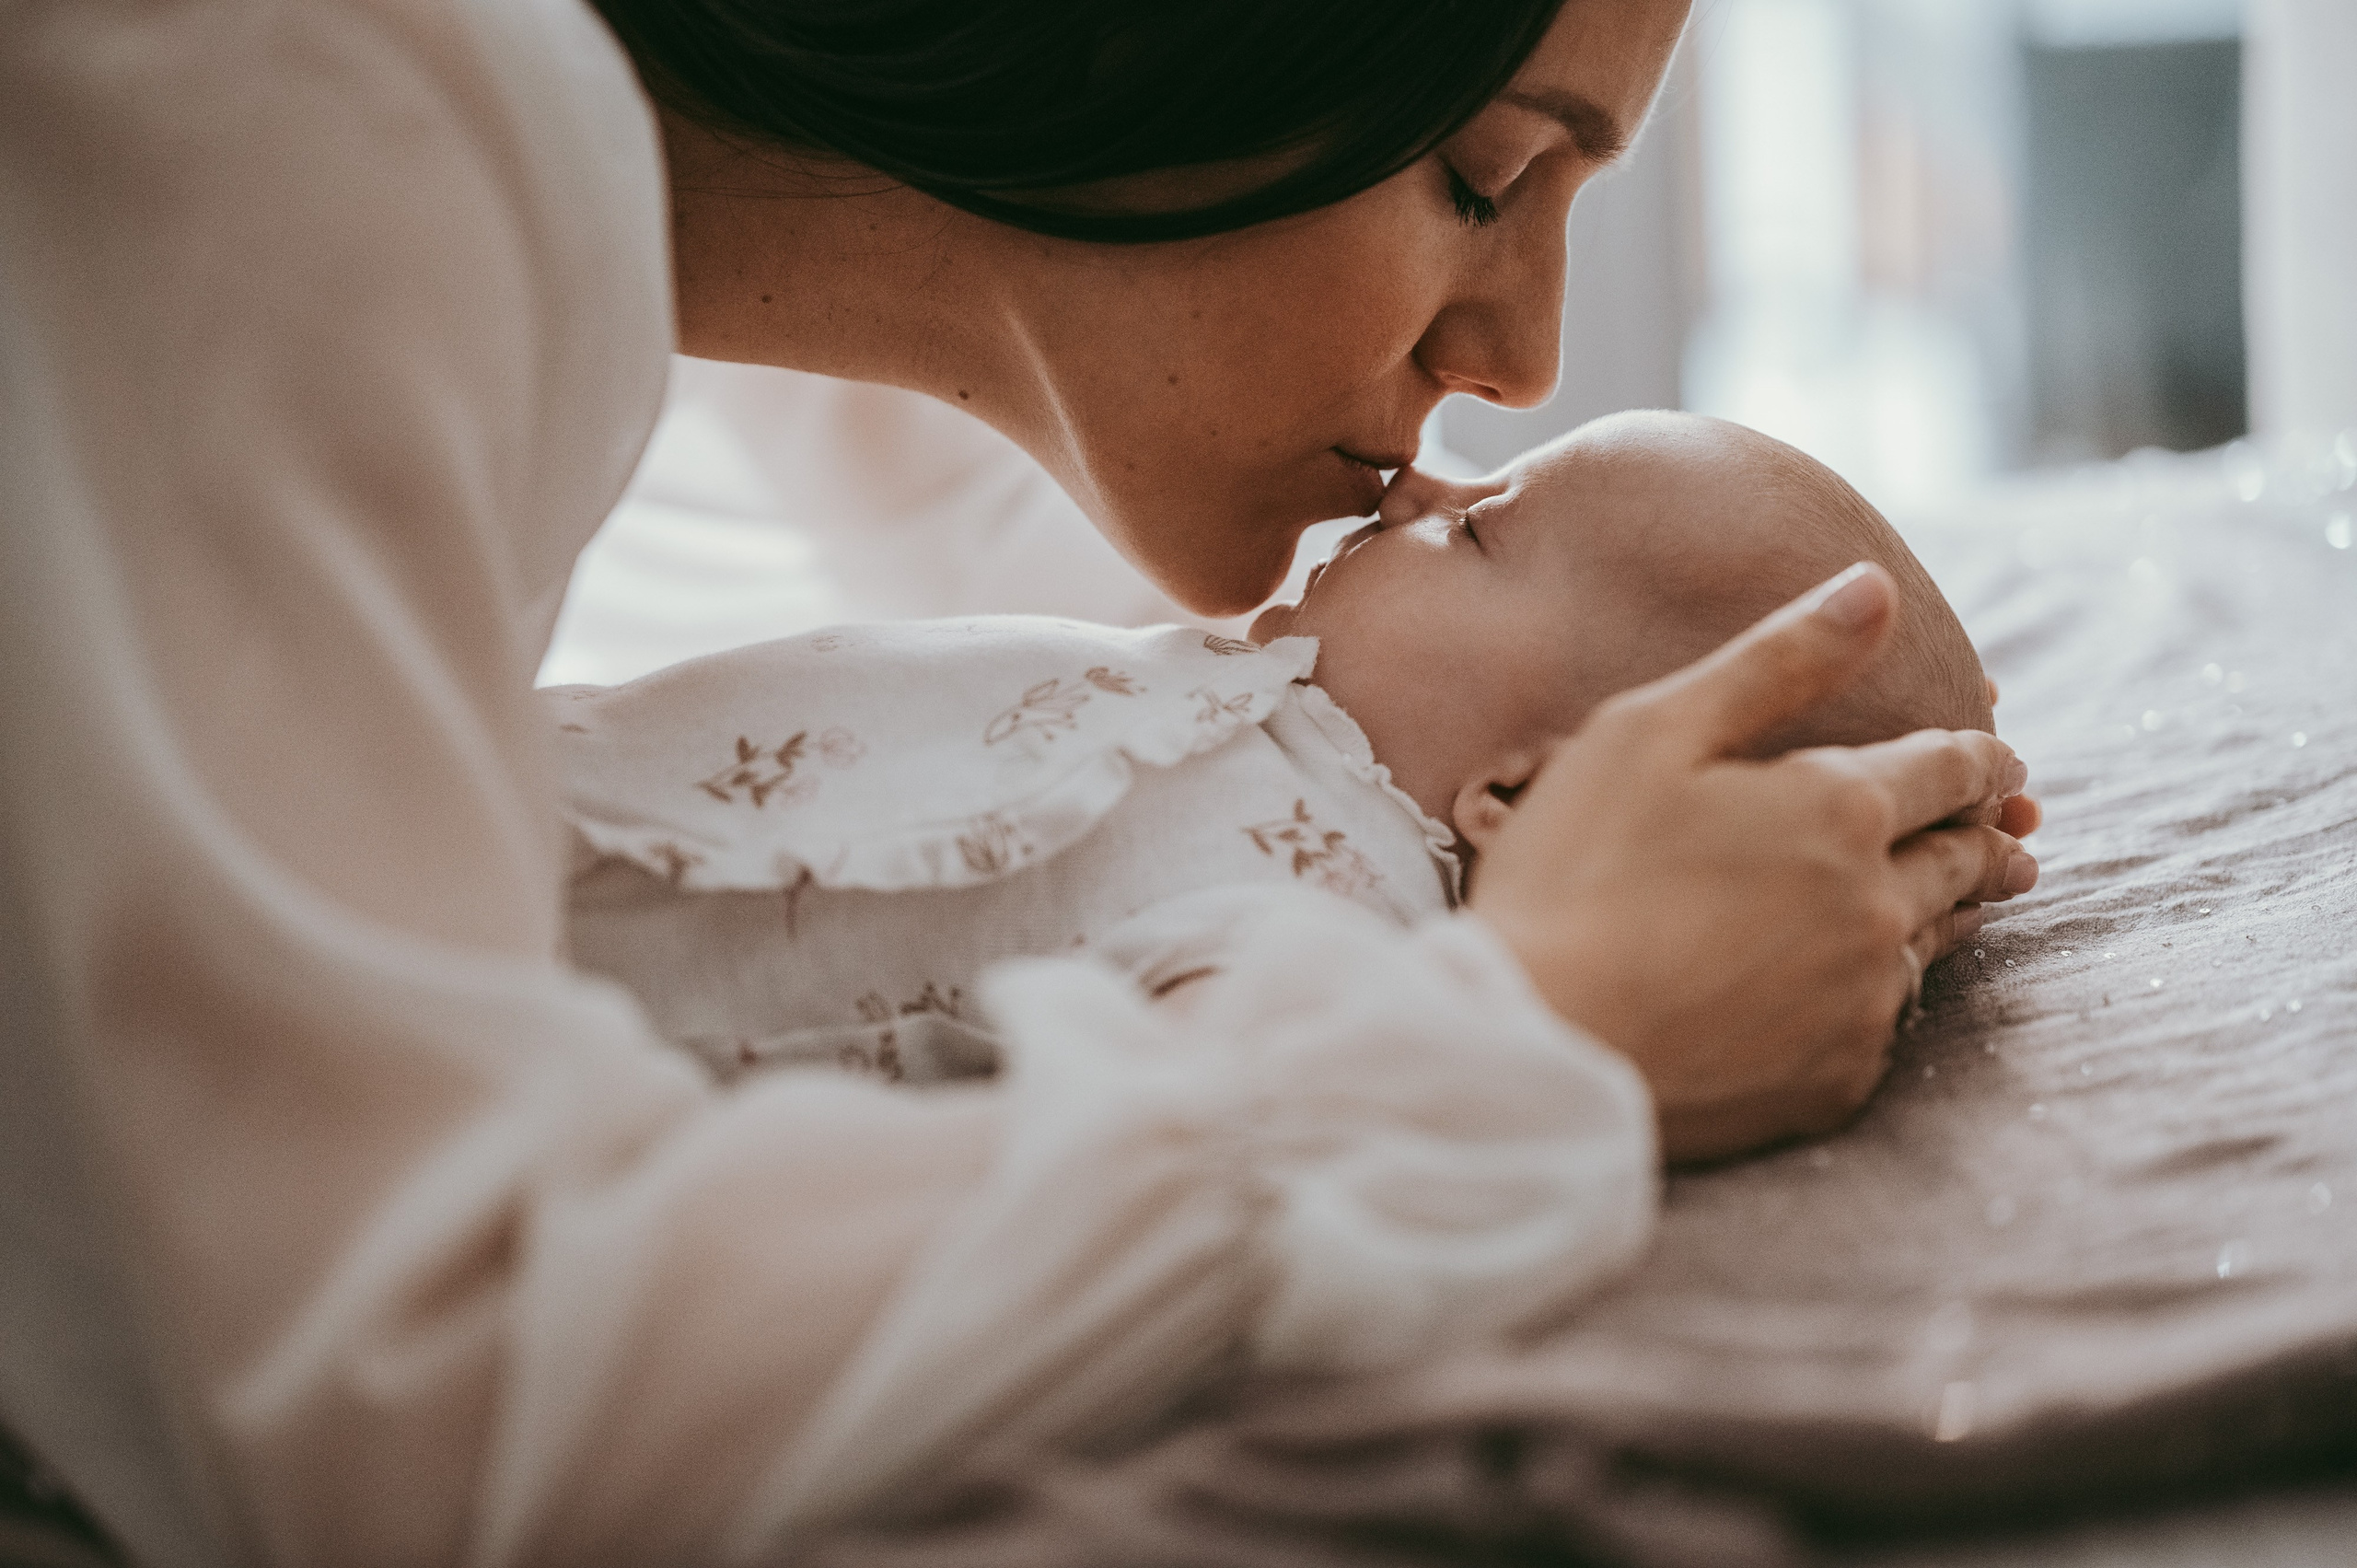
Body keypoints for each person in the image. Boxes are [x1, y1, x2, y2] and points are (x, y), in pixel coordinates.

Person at [0, 1, 2038, 1562]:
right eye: (1487, 179)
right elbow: (388, 1413)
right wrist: (1533, 1033)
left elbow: (1061, 664)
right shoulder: (324, 90)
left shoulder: (602, 165)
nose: (1520, 357)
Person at [553, 412, 1998, 1167]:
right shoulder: (1274, 710)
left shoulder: (1329, 913)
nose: (1420, 487)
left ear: (1523, 793)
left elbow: (1207, 1116)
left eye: (1479, 534)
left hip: (554, 978)